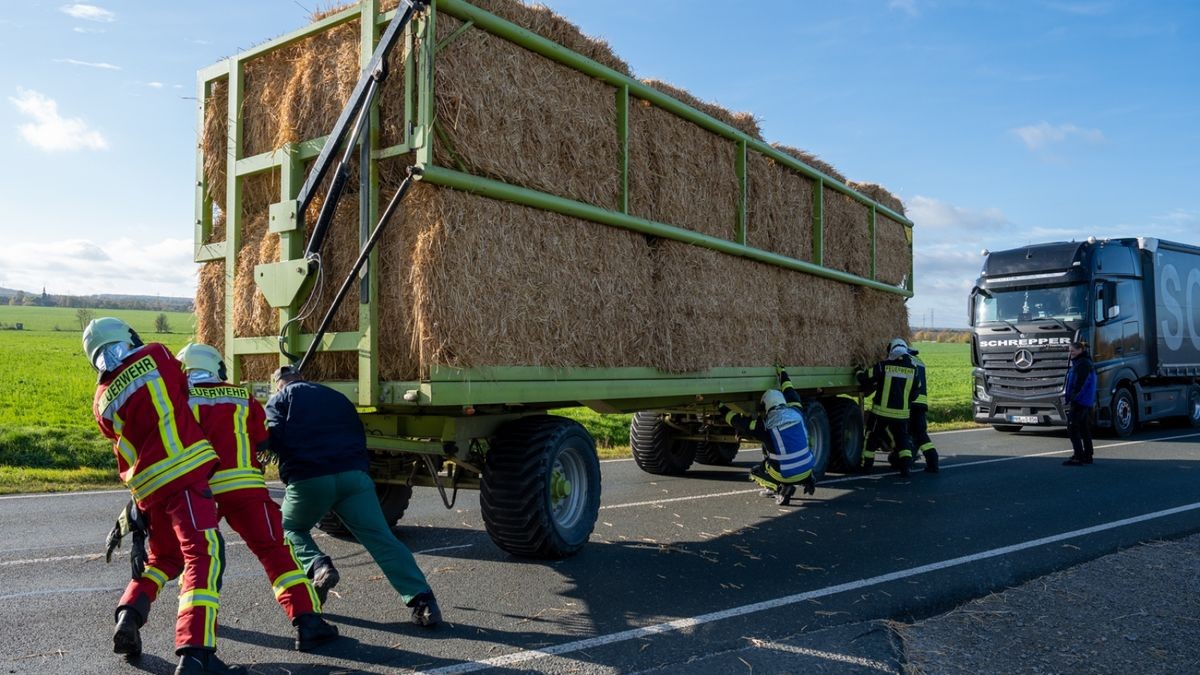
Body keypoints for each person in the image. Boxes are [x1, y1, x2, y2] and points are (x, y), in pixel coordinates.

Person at [83, 318, 246, 675]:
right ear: (129, 337)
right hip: (183, 473)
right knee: (204, 554)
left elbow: (122, 441)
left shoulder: (101, 400)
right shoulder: (156, 355)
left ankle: (129, 614)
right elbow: (185, 391)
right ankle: (196, 654)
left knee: (164, 559)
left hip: (149, 489)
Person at [175, 343, 339, 651]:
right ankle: (308, 624)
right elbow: (263, 439)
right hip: (244, 487)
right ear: (215, 367)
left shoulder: (178, 399)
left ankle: (197, 620)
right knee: (275, 552)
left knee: (197, 557)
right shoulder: (240, 395)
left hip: (198, 490)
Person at [265, 365, 442, 627]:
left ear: (279, 384)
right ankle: (423, 602)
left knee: (289, 528)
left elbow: (272, 437)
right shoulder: (336, 397)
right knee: (381, 538)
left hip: (310, 478)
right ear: (302, 377)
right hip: (354, 478)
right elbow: (358, 433)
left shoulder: (279, 400)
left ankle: (318, 565)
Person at [717, 367, 816, 506]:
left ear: (767, 407)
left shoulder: (765, 427)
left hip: (786, 473)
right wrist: (782, 372)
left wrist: (720, 406)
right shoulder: (796, 411)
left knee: (756, 471)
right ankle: (808, 479)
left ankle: (780, 488)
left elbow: (738, 422)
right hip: (808, 468)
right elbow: (789, 389)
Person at [857, 337, 919, 477]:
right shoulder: (913, 370)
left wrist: (858, 370)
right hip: (902, 415)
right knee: (902, 441)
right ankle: (905, 468)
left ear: (891, 350)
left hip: (881, 413)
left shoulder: (883, 366)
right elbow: (916, 392)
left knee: (871, 437)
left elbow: (865, 378)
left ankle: (867, 466)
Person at [903, 341, 940, 473]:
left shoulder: (906, 361)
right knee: (921, 435)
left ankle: (904, 462)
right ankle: (933, 462)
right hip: (921, 404)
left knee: (903, 433)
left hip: (910, 403)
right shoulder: (919, 361)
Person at [1063, 340, 1097, 466]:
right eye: (1069, 350)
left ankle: (1079, 456)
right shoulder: (1082, 362)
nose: (1070, 353)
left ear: (1080, 350)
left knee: (1072, 428)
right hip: (1084, 400)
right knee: (1083, 428)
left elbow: (1080, 383)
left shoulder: (1082, 364)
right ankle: (1088, 455)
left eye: (1072, 350)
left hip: (1080, 401)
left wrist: (1073, 396)